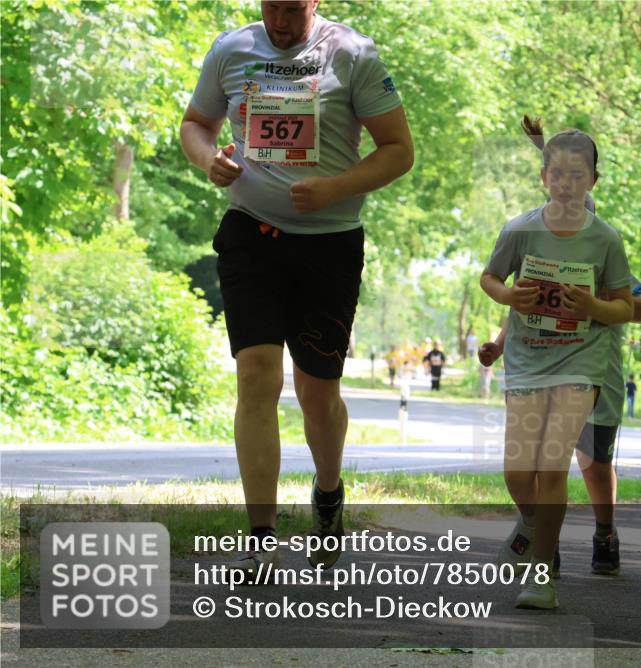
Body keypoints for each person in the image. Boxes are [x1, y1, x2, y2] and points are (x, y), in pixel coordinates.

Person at [180, 0, 413, 575]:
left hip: (328, 244)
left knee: (316, 392)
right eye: (270, 7)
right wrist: (209, 160)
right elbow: (195, 124)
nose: (279, 22)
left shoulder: (352, 54)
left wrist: (337, 187)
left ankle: (328, 493)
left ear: (314, 3)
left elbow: (398, 151)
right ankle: (261, 534)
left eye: (291, 9)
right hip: (250, 236)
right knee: (256, 374)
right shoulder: (231, 49)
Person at [479, 124, 633, 609]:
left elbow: (625, 306)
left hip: (580, 364)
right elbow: (490, 277)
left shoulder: (606, 239)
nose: (567, 183)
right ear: (544, 176)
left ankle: (541, 576)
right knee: (517, 473)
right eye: (558, 174)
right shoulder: (519, 230)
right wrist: (506, 295)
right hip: (527, 364)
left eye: (577, 174)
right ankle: (531, 525)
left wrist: (591, 306)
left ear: (594, 180)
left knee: (551, 466)